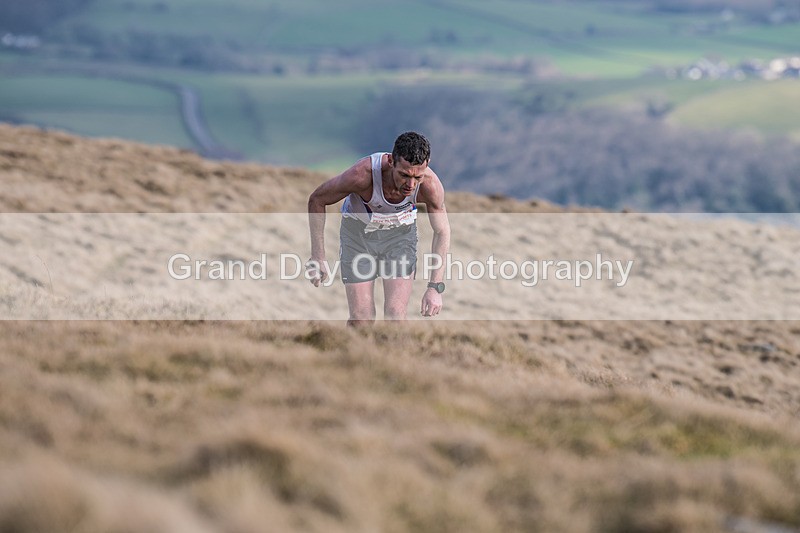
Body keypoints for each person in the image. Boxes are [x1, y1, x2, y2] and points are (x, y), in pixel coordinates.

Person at [307, 132, 450, 325]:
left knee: (395, 316)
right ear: (391, 161)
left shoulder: (430, 186)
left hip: (400, 238)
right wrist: (318, 256)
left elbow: (442, 231)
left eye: (418, 177)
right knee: (361, 318)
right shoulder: (362, 175)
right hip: (358, 236)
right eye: (404, 175)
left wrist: (434, 287)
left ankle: (392, 355)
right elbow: (317, 199)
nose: (411, 184)